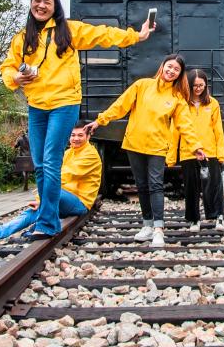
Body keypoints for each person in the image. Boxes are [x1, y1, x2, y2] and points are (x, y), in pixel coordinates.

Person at [0, 0, 153, 240]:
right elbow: (7, 67)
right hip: (37, 105)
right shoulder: (21, 38)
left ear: (54, 6)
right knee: (39, 163)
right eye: (37, 0)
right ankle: (47, 217)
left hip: (64, 102)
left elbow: (102, 34)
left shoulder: (67, 31)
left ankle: (47, 224)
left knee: (50, 160)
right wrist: (15, 77)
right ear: (31, 3)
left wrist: (135, 35)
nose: (41, 5)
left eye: (47, 1)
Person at [85, 54, 205, 248]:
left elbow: (186, 126)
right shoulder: (142, 86)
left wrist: (195, 146)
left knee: (155, 185)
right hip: (134, 144)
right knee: (141, 186)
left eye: (176, 69)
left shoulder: (177, 98)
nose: (171, 71)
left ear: (179, 74)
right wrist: (100, 120)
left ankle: (159, 229)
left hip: (157, 147)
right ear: (163, 66)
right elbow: (120, 106)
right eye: (169, 66)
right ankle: (147, 225)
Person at [0, 121, 102, 240]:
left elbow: (63, 176)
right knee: (37, 209)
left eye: (80, 135)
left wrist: (43, 199)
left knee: (44, 204)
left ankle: (2, 232)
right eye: (73, 135)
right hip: (64, 197)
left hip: (80, 202)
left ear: (88, 136)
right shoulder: (68, 153)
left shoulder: (90, 154)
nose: (76, 138)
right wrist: (42, 199)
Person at [166, 69, 224, 232]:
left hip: (210, 152)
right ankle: (194, 220)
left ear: (206, 85)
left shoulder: (213, 104)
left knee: (214, 186)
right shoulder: (181, 104)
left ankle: (218, 217)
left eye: (201, 85)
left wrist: (221, 154)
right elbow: (175, 131)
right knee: (191, 187)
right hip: (188, 152)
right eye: (194, 85)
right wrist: (171, 156)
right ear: (188, 85)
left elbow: (218, 130)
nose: (198, 88)